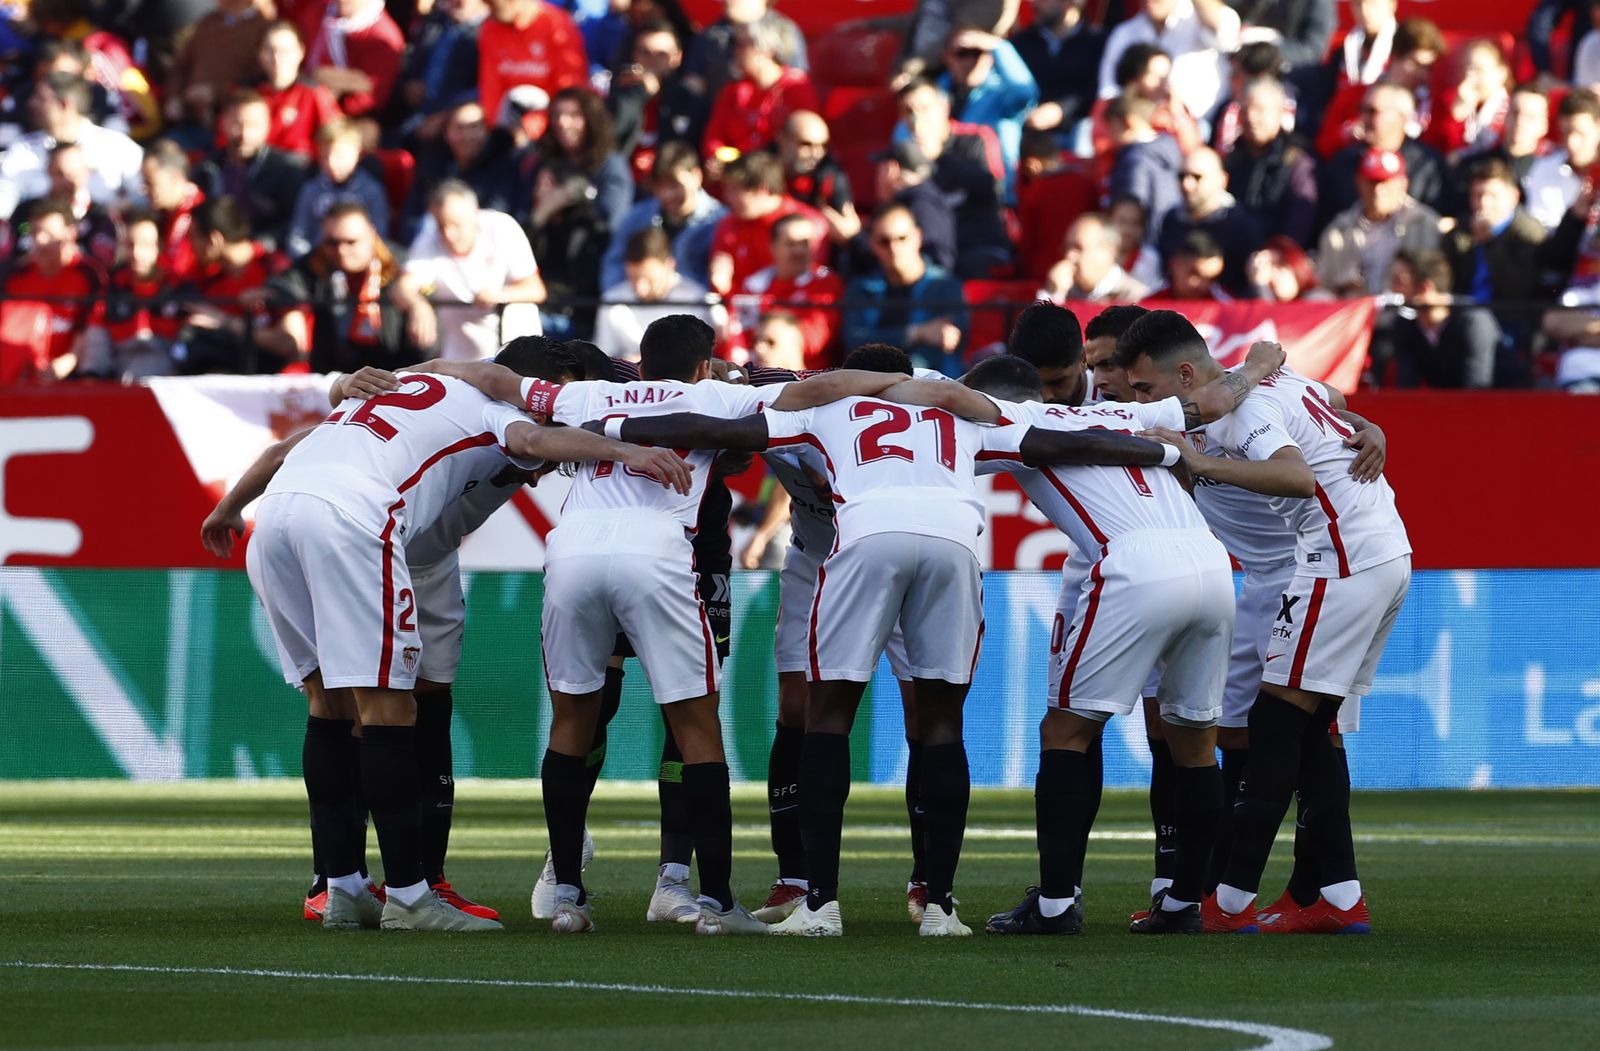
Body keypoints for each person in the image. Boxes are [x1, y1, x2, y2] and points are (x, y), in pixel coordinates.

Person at [607, 355, 1178, 938]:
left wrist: (616, 431)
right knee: (941, 723)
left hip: (867, 538)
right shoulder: (960, 412)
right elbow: (1068, 444)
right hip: (953, 542)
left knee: (827, 717)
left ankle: (820, 903)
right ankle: (941, 908)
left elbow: (721, 434)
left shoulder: (825, 404)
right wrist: (1167, 454)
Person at [428, 315, 898, 935]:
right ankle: (716, 901)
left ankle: (567, 892)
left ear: (639, 363)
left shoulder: (587, 394)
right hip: (658, 554)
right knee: (695, 723)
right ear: (705, 364)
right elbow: (816, 391)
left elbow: (495, 378)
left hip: (570, 552)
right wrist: (907, 386)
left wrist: (420, 371)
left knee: (572, 719)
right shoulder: (716, 395)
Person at [234, 334, 683, 932]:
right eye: (557, 394)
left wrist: (226, 509)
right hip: (363, 524)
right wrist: (626, 451)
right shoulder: (498, 409)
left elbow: (286, 449)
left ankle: (341, 885)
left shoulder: (408, 387)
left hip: (281, 516)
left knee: (330, 703)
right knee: (390, 709)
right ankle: (412, 897)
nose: (560, 405)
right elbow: (536, 437)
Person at [957, 339, 1285, 935]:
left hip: (1133, 564)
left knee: (1066, 733)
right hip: (1212, 565)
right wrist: (1259, 366)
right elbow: (1210, 403)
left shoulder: (1009, 420)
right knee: (1194, 743)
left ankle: (1055, 904)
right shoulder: (1122, 412)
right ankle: (1186, 902)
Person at [1124, 311, 1412, 936]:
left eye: (1145, 389)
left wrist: (1201, 465)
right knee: (1308, 734)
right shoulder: (1275, 386)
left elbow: (1296, 476)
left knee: (1274, 730)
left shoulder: (1239, 410)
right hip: (1384, 551)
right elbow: (1331, 401)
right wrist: (1366, 424)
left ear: (1186, 374)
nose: (1141, 403)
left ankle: (1228, 903)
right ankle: (1335, 896)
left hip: (1336, 560)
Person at [260, 202, 437, 374]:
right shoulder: (318, 262)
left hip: (397, 375)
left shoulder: (401, 267)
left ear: (371, 235)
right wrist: (269, 294)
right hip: (338, 378)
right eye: (332, 242)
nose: (341, 251)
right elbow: (287, 282)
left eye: (351, 242)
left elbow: (429, 344)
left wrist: (417, 305)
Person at [404, 181, 545, 361]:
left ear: (475, 212)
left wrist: (500, 295)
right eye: (441, 226)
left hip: (515, 354)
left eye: (456, 224)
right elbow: (403, 287)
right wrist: (417, 304)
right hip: (459, 360)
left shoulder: (502, 228)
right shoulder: (429, 239)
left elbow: (536, 290)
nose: (449, 234)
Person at [896, 78, 1013, 276]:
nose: (916, 118)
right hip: (932, 252)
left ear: (944, 107)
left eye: (924, 108)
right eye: (908, 111)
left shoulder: (976, 138)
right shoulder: (904, 155)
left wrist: (939, 156)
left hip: (980, 244)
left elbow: (992, 187)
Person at [0, 72, 144, 223]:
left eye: (41, 98)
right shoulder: (22, 150)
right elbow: (4, 198)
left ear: (65, 105)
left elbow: (143, 199)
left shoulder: (117, 146)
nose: (31, 103)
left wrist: (116, 209)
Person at [842, 204, 968, 375]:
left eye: (902, 238)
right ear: (872, 244)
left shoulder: (946, 286)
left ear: (918, 237)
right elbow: (855, 342)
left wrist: (881, 338)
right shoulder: (861, 288)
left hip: (931, 388)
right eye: (884, 241)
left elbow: (947, 343)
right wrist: (918, 333)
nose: (894, 248)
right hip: (870, 387)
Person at [174, 195, 289, 375]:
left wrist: (223, 322)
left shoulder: (275, 269)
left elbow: (292, 345)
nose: (190, 246)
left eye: (194, 237)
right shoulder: (209, 280)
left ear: (214, 240)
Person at [0, 200, 106, 383]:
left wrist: (69, 362)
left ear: (70, 234)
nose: (40, 241)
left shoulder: (89, 275)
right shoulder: (15, 275)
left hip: (69, 378)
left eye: (49, 234)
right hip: (15, 379)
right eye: (34, 233)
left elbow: (92, 331)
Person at [701, 17, 819, 176]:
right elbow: (714, 138)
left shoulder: (797, 87)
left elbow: (809, 137)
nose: (735, 51)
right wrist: (717, 157)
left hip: (781, 179)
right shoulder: (733, 91)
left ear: (766, 51)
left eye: (742, 45)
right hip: (736, 178)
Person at [1317, 148, 1442, 298]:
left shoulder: (1424, 224)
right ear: (1359, 183)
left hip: (1405, 315)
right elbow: (1324, 283)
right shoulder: (1339, 230)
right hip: (1354, 314)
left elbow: (1436, 283)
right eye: (1372, 182)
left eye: (1385, 182)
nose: (1377, 191)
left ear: (1403, 184)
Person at [197, 90, 311, 253]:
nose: (244, 134)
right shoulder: (207, 170)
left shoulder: (285, 170)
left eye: (253, 125)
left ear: (267, 126)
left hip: (266, 258)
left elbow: (297, 223)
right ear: (224, 123)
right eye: (237, 124)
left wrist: (256, 247)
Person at [1097, 0, 1242, 129]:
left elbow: (1227, 36)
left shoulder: (1200, 17)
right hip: (1135, 128)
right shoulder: (1125, 32)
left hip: (1199, 127)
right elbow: (1108, 91)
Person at [1319, 82, 1446, 227]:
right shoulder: (1344, 162)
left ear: (1402, 117)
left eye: (1373, 112)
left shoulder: (1427, 164)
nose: (1364, 119)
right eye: (1362, 110)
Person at [603, 142, 727, 291]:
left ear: (696, 176)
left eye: (675, 185)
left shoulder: (720, 222)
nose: (667, 195)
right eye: (660, 186)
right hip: (643, 309)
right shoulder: (637, 218)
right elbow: (614, 267)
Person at [729, 212, 843, 369]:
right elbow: (737, 338)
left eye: (805, 243)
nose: (799, 251)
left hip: (809, 378)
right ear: (773, 247)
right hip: (754, 376)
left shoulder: (826, 283)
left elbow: (813, 341)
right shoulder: (754, 284)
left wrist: (771, 336)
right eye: (791, 243)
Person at [1376, 248, 1498, 389]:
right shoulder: (1405, 326)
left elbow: (1477, 388)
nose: (1393, 289)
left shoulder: (1474, 321)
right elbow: (1407, 387)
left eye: (1399, 281)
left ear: (1425, 287)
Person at [608, 18, 710, 185]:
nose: (652, 60)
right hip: (624, 185)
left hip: (669, 188)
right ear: (634, 55)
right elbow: (612, 139)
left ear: (677, 57)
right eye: (645, 52)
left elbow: (690, 150)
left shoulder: (691, 102)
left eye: (661, 54)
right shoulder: (621, 95)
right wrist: (638, 96)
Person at [706, 151, 822, 298]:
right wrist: (720, 283)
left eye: (734, 190)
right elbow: (722, 285)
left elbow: (811, 281)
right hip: (739, 313)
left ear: (761, 190)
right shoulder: (728, 224)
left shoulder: (807, 225)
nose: (727, 197)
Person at [401, 101, 518, 243]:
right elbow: (411, 220)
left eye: (474, 127)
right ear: (446, 132)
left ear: (486, 131)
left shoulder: (503, 167)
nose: (467, 136)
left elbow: (497, 217)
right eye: (459, 128)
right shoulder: (430, 167)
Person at [1443, 154, 1549, 310]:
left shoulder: (1528, 232)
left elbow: (1520, 290)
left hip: (1509, 316)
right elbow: (1451, 280)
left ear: (1514, 196)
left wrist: (1491, 243)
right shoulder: (1463, 229)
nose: (1484, 203)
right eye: (1477, 195)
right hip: (1463, 311)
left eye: (1492, 196)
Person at [934, 24, 1039, 182]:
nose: (970, 61)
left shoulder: (1003, 95)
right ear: (946, 57)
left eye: (977, 52)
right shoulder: (931, 97)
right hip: (943, 193)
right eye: (962, 53)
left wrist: (998, 45)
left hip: (993, 193)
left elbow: (1025, 92)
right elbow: (904, 136)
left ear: (990, 58)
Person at [594, 227, 718, 360]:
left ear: (670, 265)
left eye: (649, 279)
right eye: (632, 278)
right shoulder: (612, 301)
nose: (641, 288)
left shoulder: (697, 299)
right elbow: (603, 358)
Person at [1158, 145, 1265, 296]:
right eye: (1182, 176)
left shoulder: (1242, 226)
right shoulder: (1171, 220)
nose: (1187, 185)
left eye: (1197, 177)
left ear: (1222, 180)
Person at [1224, 77, 1318, 247]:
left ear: (1279, 112)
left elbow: (1298, 223)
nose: (1251, 117)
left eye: (1259, 110)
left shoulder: (1296, 160)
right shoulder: (1233, 159)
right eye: (1245, 109)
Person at [525, 160, 610, 340]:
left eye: (548, 185)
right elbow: (520, 260)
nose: (539, 192)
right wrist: (538, 218)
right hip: (542, 309)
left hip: (571, 316)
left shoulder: (587, 229)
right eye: (538, 184)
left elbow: (581, 281)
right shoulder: (541, 226)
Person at [0, 142, 118, 270]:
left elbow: (104, 264)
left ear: (87, 172)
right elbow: (5, 257)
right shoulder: (26, 211)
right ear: (48, 170)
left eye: (74, 174)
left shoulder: (99, 215)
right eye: (59, 173)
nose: (66, 180)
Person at [95, 208, 182, 380]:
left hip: (172, 389)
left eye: (146, 245)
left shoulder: (179, 289)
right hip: (120, 387)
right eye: (130, 244)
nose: (136, 253)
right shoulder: (110, 288)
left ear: (161, 246)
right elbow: (96, 343)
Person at [285, 119, 391, 258]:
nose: (331, 163)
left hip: (356, 261)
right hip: (317, 262)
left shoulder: (372, 191)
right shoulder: (310, 190)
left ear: (358, 154)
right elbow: (298, 235)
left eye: (340, 156)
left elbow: (379, 236)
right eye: (324, 157)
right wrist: (307, 262)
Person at [163, 0, 272, 135]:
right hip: (188, 117)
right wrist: (174, 98)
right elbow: (180, 66)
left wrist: (216, 93)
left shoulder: (262, 29)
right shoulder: (209, 22)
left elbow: (260, 82)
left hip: (232, 128)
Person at [478, 0, 590, 128]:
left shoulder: (556, 25)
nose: (488, 7)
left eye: (492, 3)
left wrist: (537, 124)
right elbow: (491, 88)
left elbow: (569, 86)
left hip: (553, 123)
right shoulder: (490, 29)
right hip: (509, 122)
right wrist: (495, 129)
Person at [292, 0, 405, 120]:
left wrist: (327, 108)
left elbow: (372, 98)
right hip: (297, 95)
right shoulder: (320, 11)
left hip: (340, 117)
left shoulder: (383, 37)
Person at [1012, 0, 1108, 137]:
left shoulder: (1098, 42)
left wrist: (1061, 110)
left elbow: (1099, 90)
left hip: (1077, 127)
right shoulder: (1021, 43)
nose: (1034, 3)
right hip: (1028, 129)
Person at [684, 1, 807, 102]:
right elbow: (693, 87)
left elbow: (797, 81)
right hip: (724, 121)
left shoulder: (785, 31)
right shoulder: (707, 38)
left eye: (745, 45)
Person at [255, 19, 343, 160]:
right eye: (270, 50)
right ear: (259, 53)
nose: (277, 58)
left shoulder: (315, 93)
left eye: (285, 51)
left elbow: (337, 138)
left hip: (302, 169)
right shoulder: (251, 93)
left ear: (301, 51)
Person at [1105, 95, 1184, 249]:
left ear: (1129, 122)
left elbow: (1132, 209)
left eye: (1113, 128)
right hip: (1169, 239)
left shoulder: (1134, 161)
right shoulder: (1171, 149)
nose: (1110, 137)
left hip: (1143, 247)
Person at [776, 111, 861, 248]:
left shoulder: (832, 178)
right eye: (806, 145)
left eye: (822, 146)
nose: (816, 154)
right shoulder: (761, 172)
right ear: (783, 140)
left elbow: (846, 227)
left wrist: (853, 237)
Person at [871, 140, 957, 273]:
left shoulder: (920, 206)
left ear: (892, 169)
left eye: (880, 169)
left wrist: (853, 239)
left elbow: (938, 261)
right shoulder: (923, 199)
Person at [1524, 88, 1600, 232]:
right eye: (1565, 133)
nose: (1571, 142)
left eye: (1580, 133)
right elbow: (1540, 236)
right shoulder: (1544, 169)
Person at [1040, 212, 1149, 302]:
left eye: (1079, 248)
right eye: (1066, 248)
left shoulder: (1135, 297)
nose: (1069, 256)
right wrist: (1053, 295)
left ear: (1108, 251)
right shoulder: (1063, 291)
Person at [140, 139, 207, 282]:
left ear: (175, 177)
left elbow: (181, 270)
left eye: (150, 183)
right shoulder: (160, 214)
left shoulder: (200, 214)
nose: (144, 189)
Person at [1160, 228, 1232, 300]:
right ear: (1175, 265)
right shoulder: (1152, 304)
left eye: (1212, 279)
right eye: (1195, 274)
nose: (1203, 285)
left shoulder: (1227, 305)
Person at [1245, 235, 1322, 302]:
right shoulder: (1250, 297)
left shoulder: (1317, 298)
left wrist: (1260, 286)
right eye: (1266, 267)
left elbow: (1271, 317)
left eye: (1279, 265)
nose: (1271, 274)